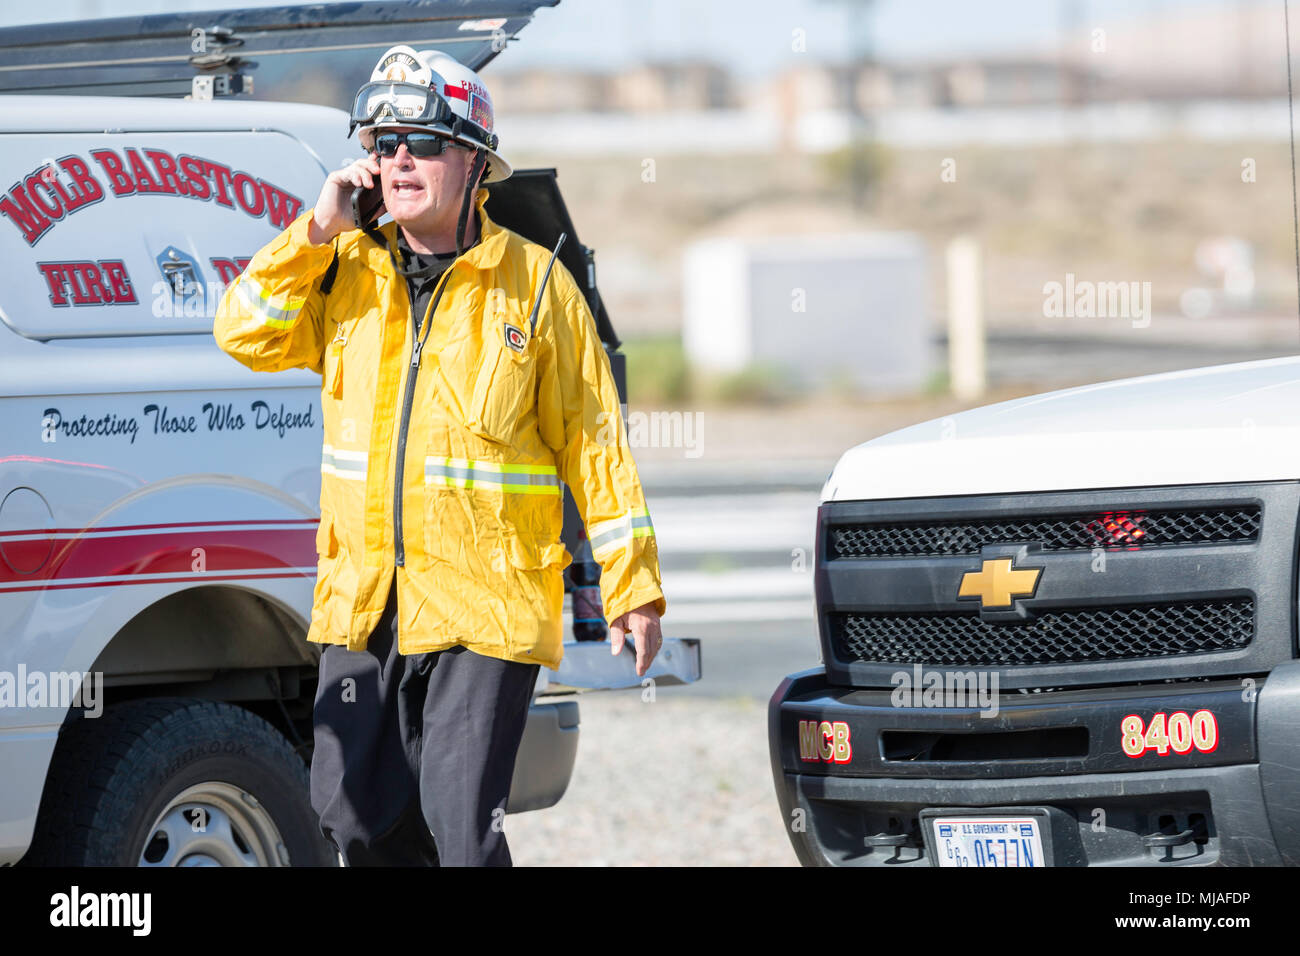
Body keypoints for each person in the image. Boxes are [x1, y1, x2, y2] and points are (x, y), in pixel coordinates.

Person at [213, 45, 666, 866]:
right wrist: (316, 230)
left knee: (461, 829)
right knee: (352, 822)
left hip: (486, 606)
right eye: (383, 144)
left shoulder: (534, 286)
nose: (398, 160)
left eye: (421, 143)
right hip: (365, 599)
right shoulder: (342, 270)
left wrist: (633, 583)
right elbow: (242, 330)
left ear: (474, 163)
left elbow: (595, 443)